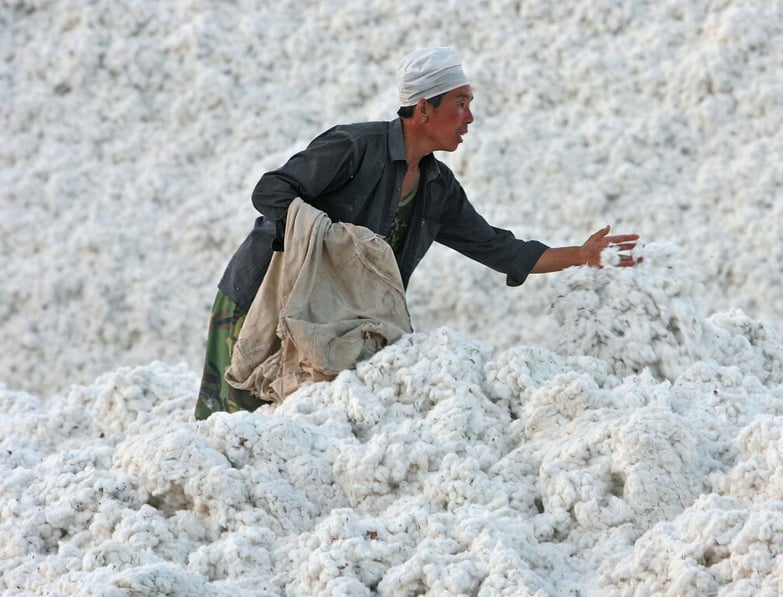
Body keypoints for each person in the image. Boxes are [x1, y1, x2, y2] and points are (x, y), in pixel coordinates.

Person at [195, 47, 640, 420]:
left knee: (297, 427)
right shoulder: (353, 147)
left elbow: (500, 249)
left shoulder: (436, 187)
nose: (470, 117)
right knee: (233, 427)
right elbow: (271, 190)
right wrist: (327, 238)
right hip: (261, 301)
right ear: (423, 108)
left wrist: (581, 255)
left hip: (331, 325)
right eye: (460, 103)